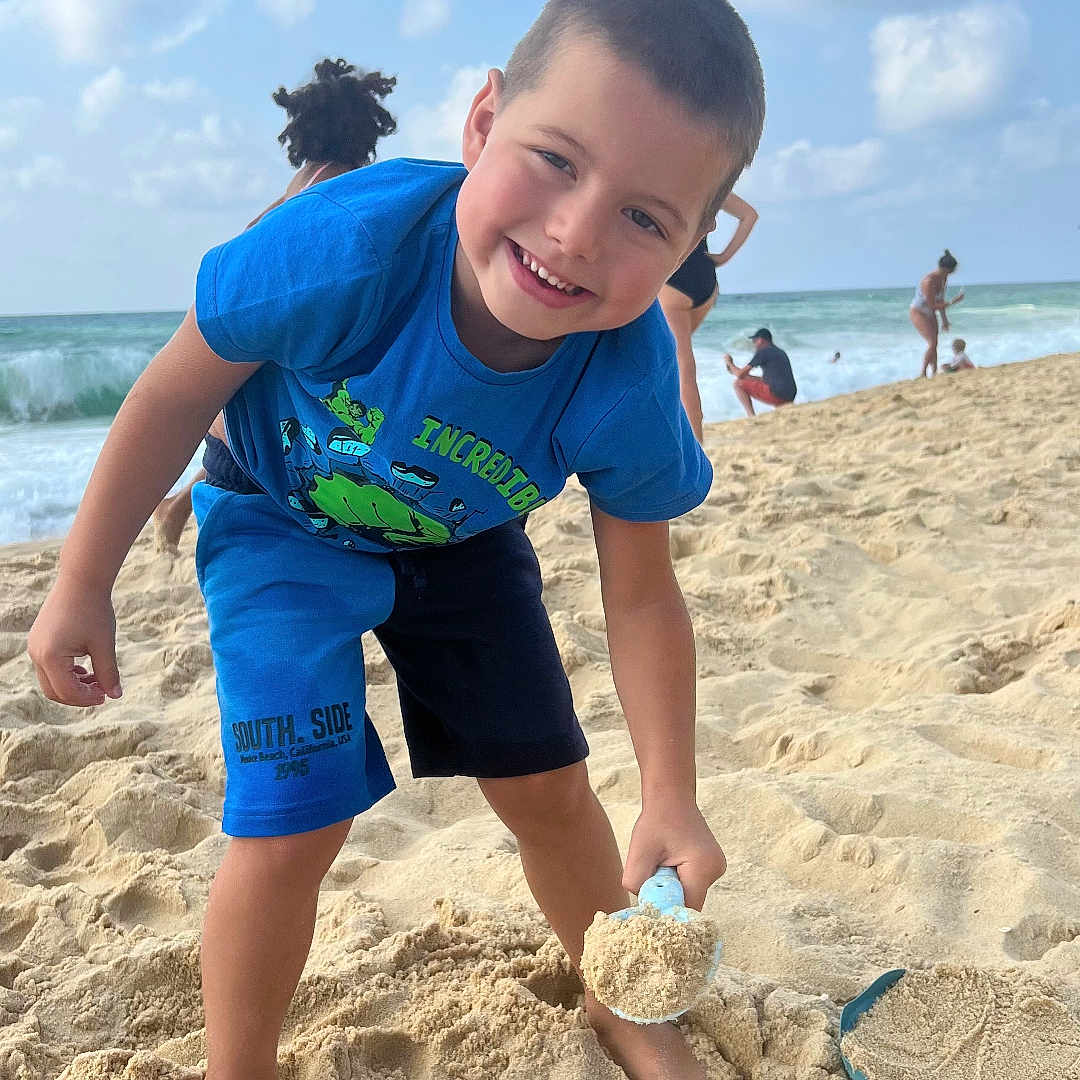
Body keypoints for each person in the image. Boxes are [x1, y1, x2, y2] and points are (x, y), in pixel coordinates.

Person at [27, 3, 766, 1078]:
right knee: (288, 828)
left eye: (646, 220)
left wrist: (671, 790)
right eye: (555, 161)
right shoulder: (344, 250)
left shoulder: (627, 377)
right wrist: (81, 580)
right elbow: (178, 389)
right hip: (279, 518)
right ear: (481, 123)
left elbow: (643, 592)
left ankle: (627, 1009)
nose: (576, 232)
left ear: (692, 247)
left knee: (551, 792)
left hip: (464, 541)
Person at [152, 58, 397, 552]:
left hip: (243, 347)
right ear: (364, 133)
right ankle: (176, 507)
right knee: (256, 449)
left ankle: (175, 506)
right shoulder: (337, 188)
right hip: (274, 355)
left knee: (243, 445)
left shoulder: (298, 187)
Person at [658, 191, 758, 441]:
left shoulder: (657, 174)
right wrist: (723, 257)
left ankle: (695, 445)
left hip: (673, 279)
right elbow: (748, 215)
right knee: (666, 361)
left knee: (680, 368)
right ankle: (672, 436)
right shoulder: (710, 176)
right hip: (706, 280)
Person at [910, 249, 965, 378]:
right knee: (932, 342)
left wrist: (945, 320)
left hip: (930, 311)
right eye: (953, 270)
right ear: (946, 269)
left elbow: (940, 301)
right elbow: (932, 305)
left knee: (935, 343)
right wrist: (953, 301)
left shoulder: (943, 279)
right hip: (918, 312)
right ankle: (923, 373)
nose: (953, 273)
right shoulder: (929, 281)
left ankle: (934, 372)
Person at [724, 327, 796, 417]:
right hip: (790, 396)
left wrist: (729, 362)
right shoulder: (780, 352)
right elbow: (765, 379)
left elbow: (740, 375)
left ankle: (751, 416)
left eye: (754, 341)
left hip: (778, 395)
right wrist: (737, 371)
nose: (754, 344)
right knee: (750, 381)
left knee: (738, 384)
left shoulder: (763, 352)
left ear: (761, 340)